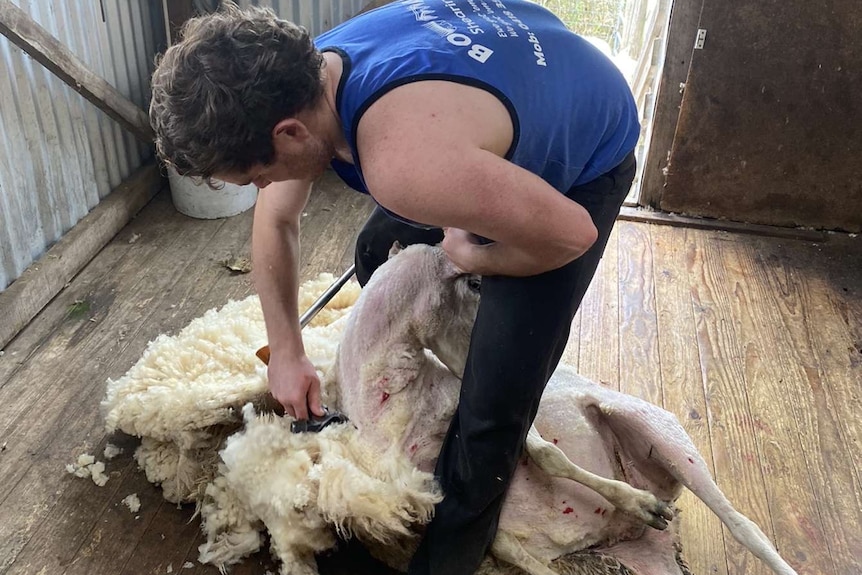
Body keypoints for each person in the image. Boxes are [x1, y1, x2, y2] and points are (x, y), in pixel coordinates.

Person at [149, 1, 639, 573]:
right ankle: (467, 197)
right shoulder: (307, 71)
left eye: (260, 174)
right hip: (510, 86)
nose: (265, 187)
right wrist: (285, 350)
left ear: (288, 130)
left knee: (492, 407)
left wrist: (471, 253)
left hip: (581, 168)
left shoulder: (401, 164)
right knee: (375, 247)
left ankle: (447, 557)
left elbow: (571, 236)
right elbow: (276, 220)